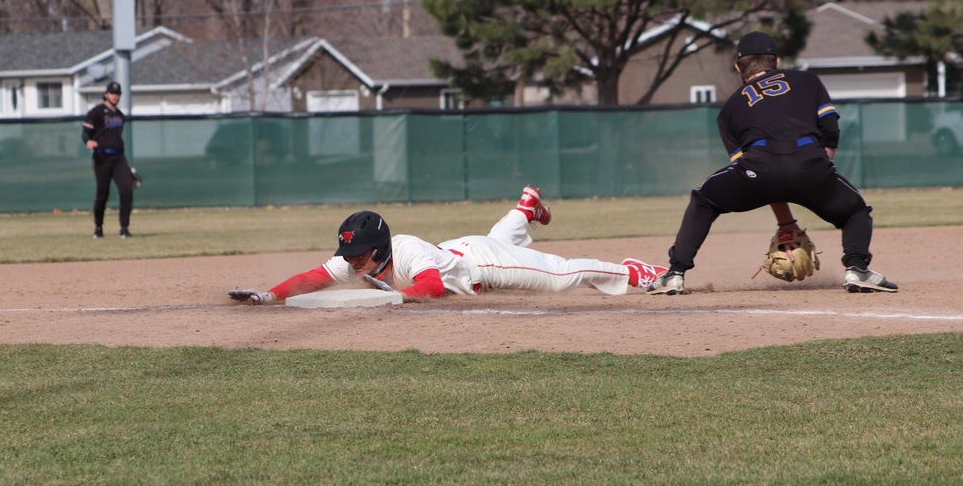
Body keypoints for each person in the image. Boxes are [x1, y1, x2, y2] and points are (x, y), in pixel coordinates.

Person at [646, 31, 897, 295]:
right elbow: (830, 127)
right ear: (776, 62)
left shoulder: (729, 109)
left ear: (737, 68)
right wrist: (822, 167)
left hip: (759, 169)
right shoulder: (807, 80)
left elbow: (766, 177)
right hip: (810, 164)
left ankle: (675, 273)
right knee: (855, 211)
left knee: (704, 200)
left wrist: (786, 223)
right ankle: (857, 269)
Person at [229, 186, 667, 304]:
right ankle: (525, 209)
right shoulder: (359, 264)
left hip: (483, 265)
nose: (351, 262)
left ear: (379, 249)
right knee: (501, 239)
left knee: (558, 277)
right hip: (461, 249)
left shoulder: (406, 250)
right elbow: (312, 277)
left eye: (357, 254)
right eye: (348, 255)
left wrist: (396, 297)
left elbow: (434, 287)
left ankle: (632, 271)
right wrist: (269, 295)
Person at [82, 81, 134, 239]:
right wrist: (88, 141)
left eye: (118, 94)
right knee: (102, 193)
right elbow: (85, 133)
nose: (115, 96)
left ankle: (124, 228)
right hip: (101, 157)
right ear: (106, 94)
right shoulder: (95, 113)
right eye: (112, 93)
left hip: (118, 157)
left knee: (127, 189)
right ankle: (98, 227)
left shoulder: (120, 116)